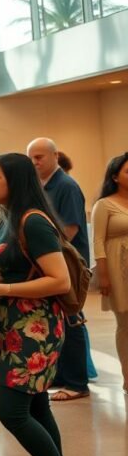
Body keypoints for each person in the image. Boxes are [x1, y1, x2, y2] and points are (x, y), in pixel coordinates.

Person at [0, 153, 79, 456]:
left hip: (36, 328)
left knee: (12, 411)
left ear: (15, 181)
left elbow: (60, 280)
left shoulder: (32, 220)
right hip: (11, 326)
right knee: (36, 408)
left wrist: (1, 289)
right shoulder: (7, 218)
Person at [27, 138, 91, 402]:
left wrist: (43, 248)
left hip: (70, 265)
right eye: (31, 158)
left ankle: (77, 382)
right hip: (53, 263)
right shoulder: (43, 186)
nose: (35, 162)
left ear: (55, 156)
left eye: (40, 157)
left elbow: (71, 229)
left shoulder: (66, 186)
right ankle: (64, 377)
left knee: (72, 320)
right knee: (61, 321)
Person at [93, 151, 128, 394]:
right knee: (125, 324)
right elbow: (97, 241)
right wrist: (103, 276)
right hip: (118, 271)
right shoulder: (104, 205)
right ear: (115, 176)